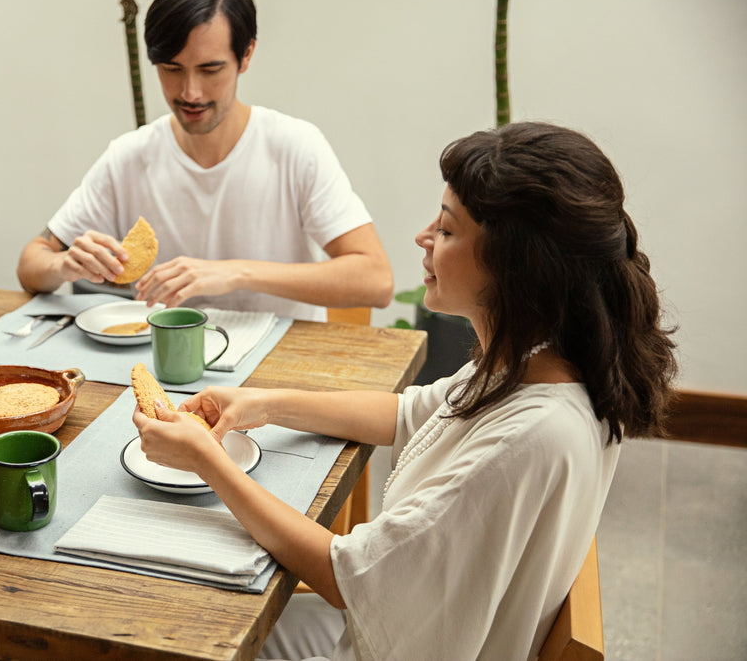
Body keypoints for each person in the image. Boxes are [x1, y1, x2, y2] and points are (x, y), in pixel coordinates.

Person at [133, 122, 678, 660]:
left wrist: (207, 460)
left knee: (170, 627)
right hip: (397, 633)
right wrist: (264, 403)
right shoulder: (539, 361)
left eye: (446, 230)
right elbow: (412, 410)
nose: (423, 238)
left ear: (515, 267)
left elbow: (347, 577)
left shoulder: (528, 438)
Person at [16, 0, 394, 321]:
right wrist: (64, 265)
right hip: (164, 371)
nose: (189, 93)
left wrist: (234, 272)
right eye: (171, 69)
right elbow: (32, 262)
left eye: (210, 70)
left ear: (246, 56)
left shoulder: (294, 147)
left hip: (279, 371)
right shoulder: (129, 157)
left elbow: (376, 281)